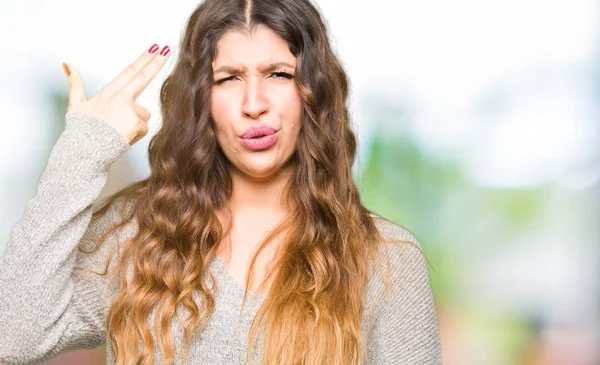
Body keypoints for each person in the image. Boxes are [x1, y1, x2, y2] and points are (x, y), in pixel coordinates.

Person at [0, 0, 442, 364]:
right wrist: (84, 148)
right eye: (228, 79)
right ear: (201, 101)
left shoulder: (386, 261)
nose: (254, 104)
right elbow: (12, 335)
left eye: (279, 74)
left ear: (314, 93)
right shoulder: (136, 237)